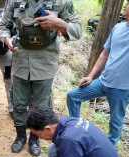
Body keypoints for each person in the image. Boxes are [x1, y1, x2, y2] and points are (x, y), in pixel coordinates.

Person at [0, 0, 82, 155]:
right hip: (21, 59)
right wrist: (6, 39)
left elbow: (77, 31)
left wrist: (58, 24)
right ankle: (20, 136)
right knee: (18, 103)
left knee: (42, 106)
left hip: (45, 61)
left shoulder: (61, 2)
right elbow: (3, 25)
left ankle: (34, 139)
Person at [67, 1, 129, 145]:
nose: (125, 5)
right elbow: (104, 54)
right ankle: (76, 132)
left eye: (128, 4)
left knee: (115, 123)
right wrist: (90, 76)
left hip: (121, 88)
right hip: (102, 81)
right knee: (73, 96)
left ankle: (108, 149)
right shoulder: (118, 28)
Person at [26, 105, 119, 157]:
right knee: (52, 149)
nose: (41, 138)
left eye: (39, 135)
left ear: (47, 128)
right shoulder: (70, 121)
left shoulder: (68, 140)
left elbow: (69, 143)